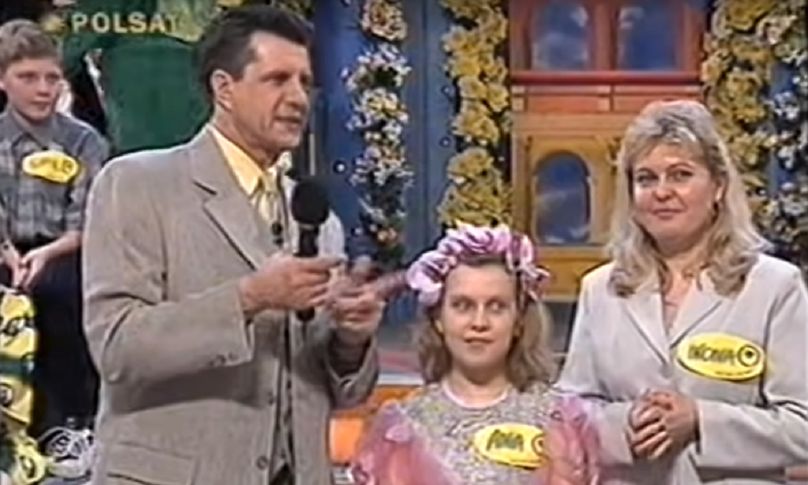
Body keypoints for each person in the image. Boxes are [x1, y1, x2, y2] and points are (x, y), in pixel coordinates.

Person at [82, 6, 384, 485]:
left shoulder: (318, 219)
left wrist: (351, 339)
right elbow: (118, 349)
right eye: (277, 79)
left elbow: (338, 393)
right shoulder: (138, 185)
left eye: (305, 82)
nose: (297, 98)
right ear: (224, 88)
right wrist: (250, 297)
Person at [557, 99, 808, 483]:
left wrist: (701, 420)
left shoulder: (774, 287)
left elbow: (802, 425)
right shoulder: (601, 290)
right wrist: (629, 422)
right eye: (646, 179)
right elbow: (570, 414)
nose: (662, 192)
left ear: (718, 186)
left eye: (680, 175)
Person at [350, 224, 599, 485]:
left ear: (518, 321)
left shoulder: (564, 421)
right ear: (438, 319)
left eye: (496, 307)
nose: (479, 322)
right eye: (463, 306)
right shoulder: (400, 430)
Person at [0, 17, 106, 451]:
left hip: (65, 249)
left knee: (59, 290)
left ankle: (70, 423)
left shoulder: (84, 141)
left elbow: (87, 219)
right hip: (7, 249)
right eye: (27, 78)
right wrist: (7, 252)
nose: (42, 89)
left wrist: (45, 255)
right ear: (3, 80)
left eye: (51, 78)